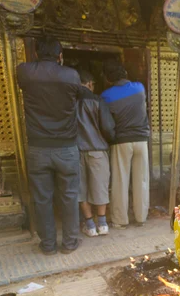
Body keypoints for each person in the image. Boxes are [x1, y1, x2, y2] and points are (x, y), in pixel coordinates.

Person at [17, 36, 82, 255]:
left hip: (38, 148)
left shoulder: (25, 71)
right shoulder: (71, 75)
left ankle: (48, 245)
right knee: (69, 196)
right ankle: (70, 242)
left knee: (42, 199)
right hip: (67, 148)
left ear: (35, 53)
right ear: (60, 55)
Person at [101, 60, 150, 229]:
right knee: (141, 180)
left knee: (120, 181)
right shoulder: (139, 88)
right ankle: (141, 217)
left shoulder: (106, 95)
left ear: (108, 79)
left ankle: (120, 220)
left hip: (121, 141)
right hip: (141, 140)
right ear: (125, 74)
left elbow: (106, 121)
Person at [76, 70, 115, 237]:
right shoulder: (97, 100)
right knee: (100, 188)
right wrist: (110, 140)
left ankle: (90, 225)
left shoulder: (68, 101)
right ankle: (103, 224)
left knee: (81, 189)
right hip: (97, 150)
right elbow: (107, 127)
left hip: (75, 151)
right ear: (90, 83)